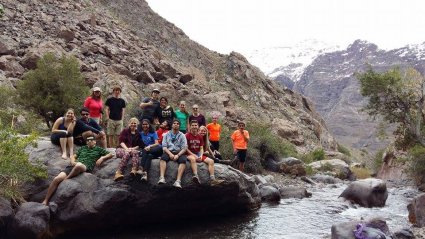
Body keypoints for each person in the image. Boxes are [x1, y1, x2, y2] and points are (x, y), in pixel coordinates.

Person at [42, 136, 113, 205]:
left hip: (85, 166)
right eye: (87, 140)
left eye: (91, 140)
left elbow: (110, 154)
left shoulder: (98, 149)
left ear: (95, 142)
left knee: (78, 165)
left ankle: (67, 179)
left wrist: (102, 158)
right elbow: (73, 156)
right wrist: (73, 161)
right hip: (73, 166)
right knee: (56, 179)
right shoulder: (83, 148)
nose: (89, 141)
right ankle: (45, 200)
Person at [186, 121, 223, 185]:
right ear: (190, 126)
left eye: (195, 125)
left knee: (211, 161)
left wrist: (200, 155)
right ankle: (195, 176)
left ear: (197, 126)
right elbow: (185, 148)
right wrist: (193, 155)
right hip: (188, 153)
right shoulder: (187, 135)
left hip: (198, 153)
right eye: (193, 125)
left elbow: (201, 148)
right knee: (193, 159)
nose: (194, 127)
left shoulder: (199, 136)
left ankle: (212, 180)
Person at [158, 119, 187, 188]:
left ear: (179, 126)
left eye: (177, 123)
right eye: (174, 123)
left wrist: (178, 155)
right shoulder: (166, 134)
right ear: (172, 125)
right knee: (163, 158)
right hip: (168, 151)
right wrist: (170, 154)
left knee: (183, 161)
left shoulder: (182, 135)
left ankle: (178, 181)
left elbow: (184, 148)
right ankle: (162, 178)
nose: (176, 124)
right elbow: (164, 147)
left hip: (178, 152)